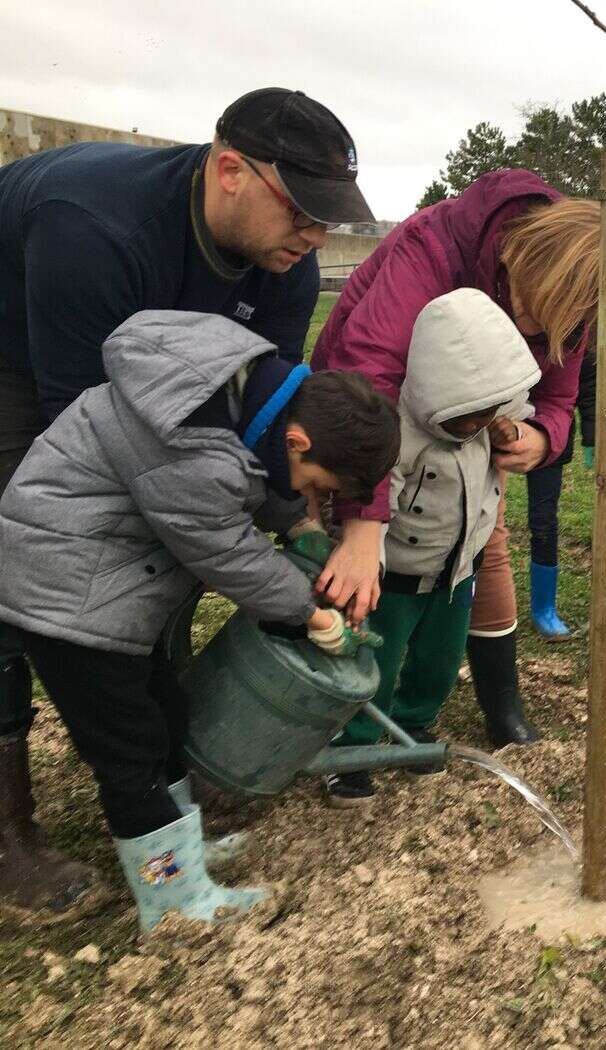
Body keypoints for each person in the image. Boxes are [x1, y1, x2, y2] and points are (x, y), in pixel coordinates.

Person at [0, 86, 372, 920]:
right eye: (304, 213)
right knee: (17, 579)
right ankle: (8, 837)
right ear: (231, 170)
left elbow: (269, 428)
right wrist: (260, 581)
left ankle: (159, 804)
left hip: (138, 413)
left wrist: (292, 518)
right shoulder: (93, 227)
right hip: (17, 351)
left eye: (328, 219)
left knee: (138, 662)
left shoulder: (287, 263)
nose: (317, 237)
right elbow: (94, 441)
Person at [0, 311, 398, 931]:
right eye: (317, 485)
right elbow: (225, 551)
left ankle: (183, 852)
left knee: (165, 715)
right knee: (129, 751)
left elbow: (253, 474)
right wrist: (306, 614)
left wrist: (299, 522)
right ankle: (171, 899)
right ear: (298, 442)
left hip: (101, 578)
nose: (312, 496)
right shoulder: (188, 445)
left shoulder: (238, 389)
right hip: (65, 596)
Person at [311, 169, 599, 747]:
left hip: (471, 436)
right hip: (375, 421)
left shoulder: (575, 298)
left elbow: (560, 398)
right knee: (358, 565)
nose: (529, 332)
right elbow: (366, 376)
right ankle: (339, 717)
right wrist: (361, 522)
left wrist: (542, 436)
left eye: (546, 330)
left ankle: (494, 703)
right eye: (528, 311)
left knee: (481, 541)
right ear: (519, 258)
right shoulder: (434, 249)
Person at [324, 290, 542, 807]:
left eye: (488, 411)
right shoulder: (397, 433)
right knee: (373, 664)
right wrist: (366, 565)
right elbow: (374, 500)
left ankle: (413, 727)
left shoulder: (484, 425)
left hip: (457, 574)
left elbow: (513, 421)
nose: (478, 423)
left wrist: (507, 424)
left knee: (438, 662)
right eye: (470, 414)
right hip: (395, 578)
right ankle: (351, 751)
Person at [525, 347, 594, 641]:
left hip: (551, 437)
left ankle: (544, 608)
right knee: (484, 521)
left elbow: (589, 388)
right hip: (497, 429)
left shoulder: (576, 339)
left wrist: (592, 437)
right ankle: (471, 599)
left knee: (543, 521)